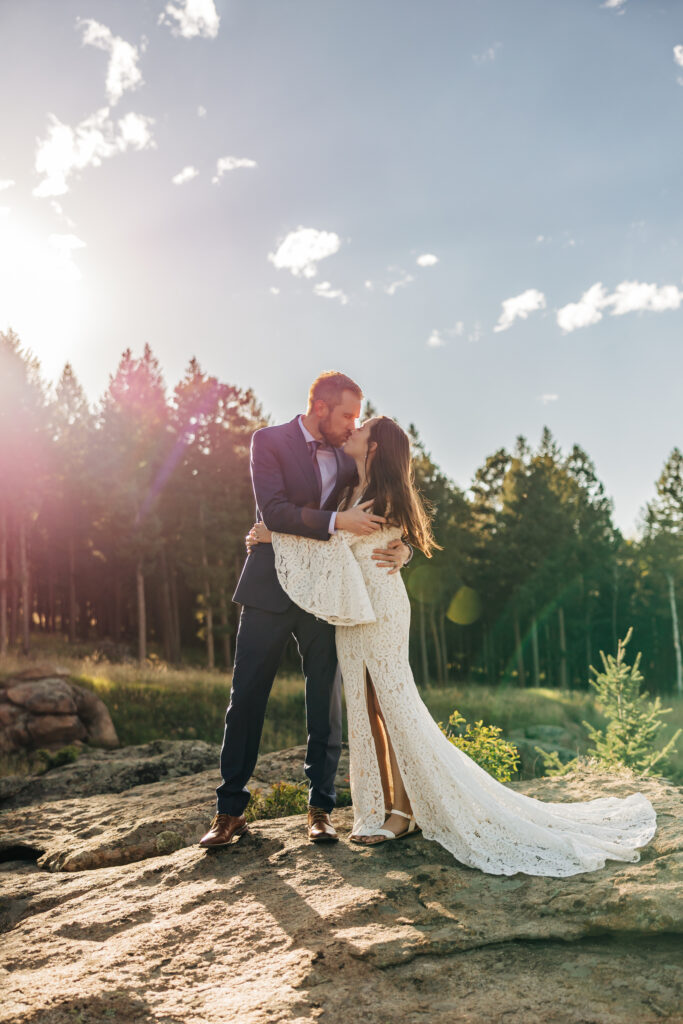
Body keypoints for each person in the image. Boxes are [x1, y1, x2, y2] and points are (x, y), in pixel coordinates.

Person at [248, 415, 657, 876]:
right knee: (365, 708)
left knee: (391, 705)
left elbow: (334, 545)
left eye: (361, 427)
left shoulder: (382, 497)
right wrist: (301, 532)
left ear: (376, 446)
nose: (352, 430)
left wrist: (275, 535)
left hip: (380, 608)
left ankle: (403, 814)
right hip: (352, 612)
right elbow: (334, 536)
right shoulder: (348, 491)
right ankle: (379, 806)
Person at [199, 372, 412, 850]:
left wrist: (403, 549)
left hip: (330, 595)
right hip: (269, 588)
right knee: (247, 696)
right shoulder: (268, 442)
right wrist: (337, 521)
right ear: (321, 407)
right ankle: (229, 811)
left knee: (326, 701)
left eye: (358, 419)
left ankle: (321, 810)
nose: (352, 425)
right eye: (346, 415)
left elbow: (387, 507)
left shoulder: (351, 452)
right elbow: (273, 511)